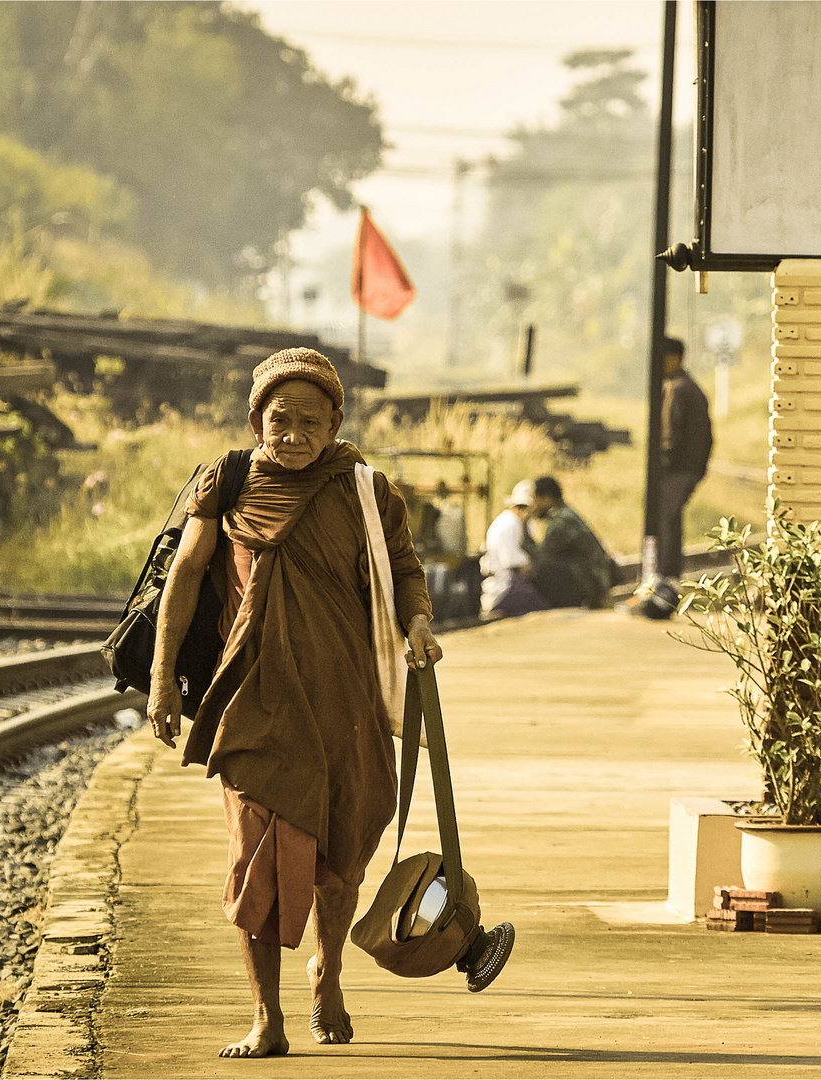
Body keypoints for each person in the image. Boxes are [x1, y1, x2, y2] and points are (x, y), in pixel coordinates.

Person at [146, 348, 514, 1060]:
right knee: (258, 863)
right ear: (257, 420)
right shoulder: (224, 482)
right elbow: (184, 578)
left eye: (309, 421)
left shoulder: (366, 490)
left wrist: (419, 623)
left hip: (349, 703)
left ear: (335, 422)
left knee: (342, 853)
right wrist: (163, 681)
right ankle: (266, 1017)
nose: (292, 434)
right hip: (255, 705)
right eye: (279, 419)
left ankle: (329, 973)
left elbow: (406, 570)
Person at [642, 337, 712, 618]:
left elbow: (671, 434)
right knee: (668, 522)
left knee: (666, 523)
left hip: (677, 470)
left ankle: (665, 581)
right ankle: (664, 579)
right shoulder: (686, 388)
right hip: (685, 469)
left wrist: (664, 464)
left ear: (674, 358)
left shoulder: (680, 390)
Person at [526, 476, 615, 609]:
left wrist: (523, 525)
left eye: (534, 500)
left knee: (540, 570)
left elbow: (541, 555)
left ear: (546, 499)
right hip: (594, 579)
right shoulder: (564, 512)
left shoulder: (560, 522)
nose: (532, 505)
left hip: (591, 584)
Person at [481, 480, 549, 618]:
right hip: (505, 587)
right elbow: (512, 562)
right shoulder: (510, 523)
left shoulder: (520, 523)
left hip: (509, 583)